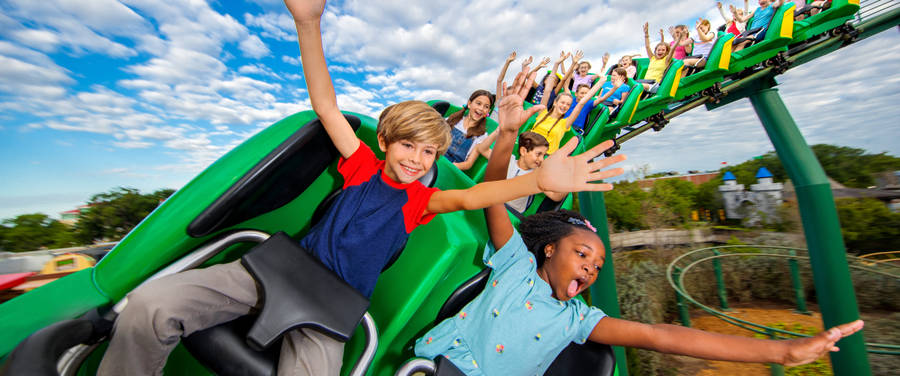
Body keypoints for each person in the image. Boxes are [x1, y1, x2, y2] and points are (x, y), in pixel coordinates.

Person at [96, 3, 623, 374]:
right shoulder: (360, 164)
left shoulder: (422, 200)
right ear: (389, 142)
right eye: (408, 147)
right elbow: (326, 105)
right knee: (152, 305)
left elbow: (470, 198)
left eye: (429, 153)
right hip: (279, 270)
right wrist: (308, 23)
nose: (417, 161)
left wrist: (538, 180)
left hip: (334, 307)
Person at [413, 96, 866, 374]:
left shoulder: (577, 320)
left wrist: (783, 352)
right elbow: (493, 195)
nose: (591, 266)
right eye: (584, 253)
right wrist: (508, 131)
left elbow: (660, 335)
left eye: (598, 265)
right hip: (434, 367)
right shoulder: (514, 263)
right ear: (549, 248)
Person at [530, 71, 603, 154]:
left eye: (568, 105)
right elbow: (547, 91)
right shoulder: (542, 113)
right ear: (555, 102)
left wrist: (601, 81)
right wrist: (557, 65)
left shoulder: (565, 123)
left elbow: (582, 103)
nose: (565, 106)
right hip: (529, 148)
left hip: (545, 155)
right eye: (562, 102)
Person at [505, 132, 566, 213]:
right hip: (493, 206)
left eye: (543, 155)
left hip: (511, 214)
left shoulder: (536, 176)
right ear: (523, 151)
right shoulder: (508, 161)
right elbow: (483, 149)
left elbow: (556, 196)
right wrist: (499, 132)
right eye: (538, 154)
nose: (541, 159)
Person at [443, 89, 496, 171]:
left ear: (488, 112)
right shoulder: (453, 119)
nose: (481, 108)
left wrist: (451, 167)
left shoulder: (482, 135)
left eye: (486, 107)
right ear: (469, 104)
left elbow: (468, 164)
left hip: (452, 168)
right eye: (478, 103)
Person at [639, 22, 679, 93]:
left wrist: (677, 39)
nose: (660, 51)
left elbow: (672, 49)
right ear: (655, 51)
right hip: (644, 82)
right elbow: (647, 46)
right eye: (659, 50)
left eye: (663, 50)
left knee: (638, 86)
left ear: (666, 52)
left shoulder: (666, 60)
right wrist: (646, 34)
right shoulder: (652, 58)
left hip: (654, 85)